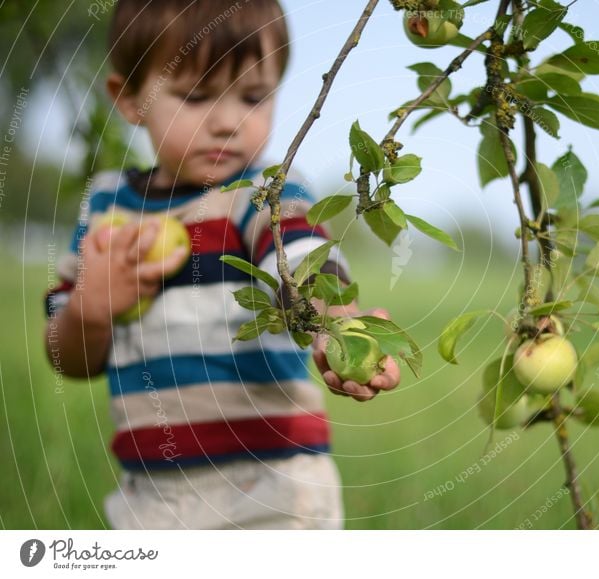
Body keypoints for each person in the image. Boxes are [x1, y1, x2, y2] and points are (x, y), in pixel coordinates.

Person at [43, 0, 400, 530]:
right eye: (195, 96)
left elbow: (303, 257)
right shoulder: (105, 210)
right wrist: (90, 311)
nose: (229, 122)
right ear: (129, 99)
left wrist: (335, 324)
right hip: (152, 498)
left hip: (275, 487)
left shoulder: (265, 192)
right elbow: (66, 356)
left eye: (254, 97)